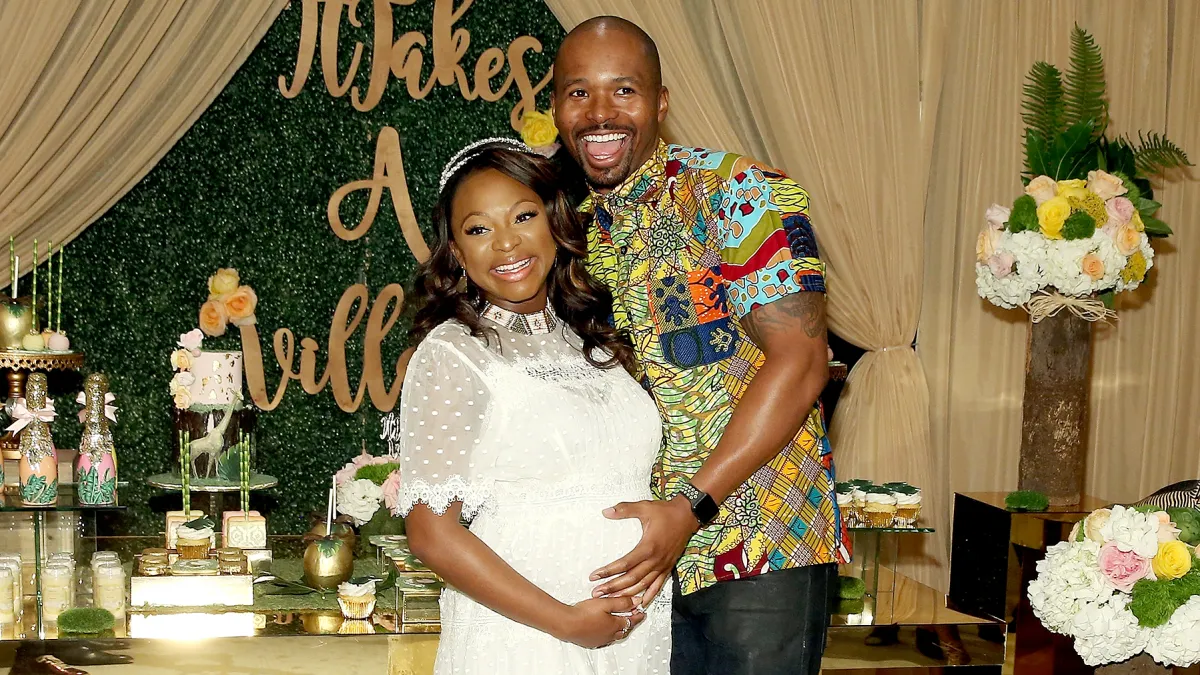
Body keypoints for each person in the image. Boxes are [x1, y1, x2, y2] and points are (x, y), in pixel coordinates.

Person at [552, 17, 851, 675]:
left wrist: (690, 506)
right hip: (634, 561)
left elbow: (801, 362)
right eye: (579, 93)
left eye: (623, 90)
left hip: (755, 546)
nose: (601, 113)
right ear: (556, 108)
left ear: (661, 103)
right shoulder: (574, 236)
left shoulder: (737, 193)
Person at [393, 138, 672, 674]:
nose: (506, 243)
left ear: (554, 221)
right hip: (528, 635)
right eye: (478, 229)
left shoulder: (590, 338)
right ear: (454, 250)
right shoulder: (453, 352)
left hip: (632, 632)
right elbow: (431, 532)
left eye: (523, 216)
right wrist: (566, 621)